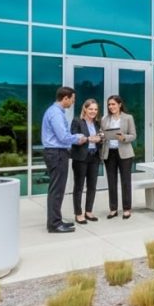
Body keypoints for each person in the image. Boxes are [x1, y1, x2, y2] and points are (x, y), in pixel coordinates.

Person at [41, 86, 92, 234]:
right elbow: (63, 137)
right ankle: (54, 224)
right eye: (72, 100)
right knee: (57, 190)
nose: (72, 103)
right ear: (65, 98)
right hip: (56, 153)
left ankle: (56, 220)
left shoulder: (54, 111)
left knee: (57, 189)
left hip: (56, 153)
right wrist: (78, 138)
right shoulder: (56, 114)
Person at [101, 94, 137, 219]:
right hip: (109, 153)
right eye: (109, 104)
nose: (111, 107)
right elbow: (102, 134)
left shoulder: (128, 118)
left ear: (119, 104)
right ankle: (113, 209)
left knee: (125, 182)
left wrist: (124, 137)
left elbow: (133, 135)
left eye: (113, 104)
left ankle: (127, 209)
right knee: (111, 182)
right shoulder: (105, 119)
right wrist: (102, 135)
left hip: (125, 153)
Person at [70, 98, 102, 225]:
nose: (93, 111)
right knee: (79, 186)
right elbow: (73, 137)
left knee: (92, 186)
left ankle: (89, 211)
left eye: (95, 109)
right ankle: (78, 213)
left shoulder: (97, 123)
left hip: (94, 157)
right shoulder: (77, 121)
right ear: (85, 109)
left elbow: (101, 137)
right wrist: (89, 139)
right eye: (90, 109)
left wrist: (100, 139)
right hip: (80, 158)